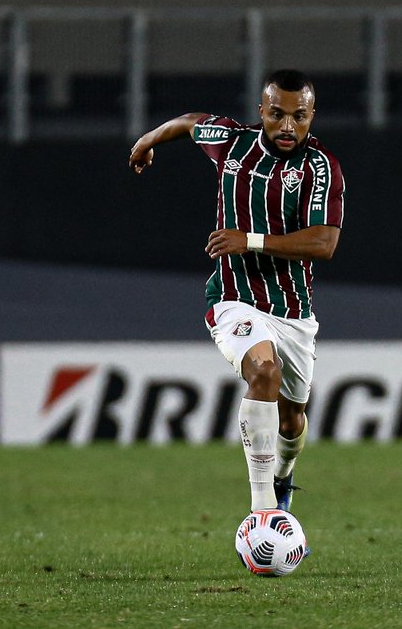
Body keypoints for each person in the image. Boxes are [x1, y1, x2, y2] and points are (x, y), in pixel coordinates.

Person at [127, 69, 345, 516]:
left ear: (312, 116)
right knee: (262, 371)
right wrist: (148, 139)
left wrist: (251, 240)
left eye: (299, 117)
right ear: (261, 111)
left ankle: (283, 475)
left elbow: (324, 243)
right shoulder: (232, 143)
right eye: (278, 114)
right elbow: (189, 122)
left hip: (292, 309)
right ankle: (263, 509)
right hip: (233, 296)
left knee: (293, 418)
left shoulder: (319, 169)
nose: (288, 126)